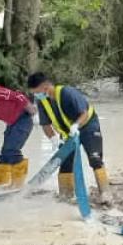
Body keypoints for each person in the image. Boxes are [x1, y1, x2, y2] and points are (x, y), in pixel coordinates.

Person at [26, 72, 109, 201]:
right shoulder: (42, 101)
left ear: (46, 87)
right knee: (65, 163)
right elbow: (46, 124)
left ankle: (105, 193)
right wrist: (53, 139)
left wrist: (76, 126)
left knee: (95, 158)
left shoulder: (67, 93)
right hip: (67, 134)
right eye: (34, 93)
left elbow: (84, 113)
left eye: (37, 92)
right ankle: (66, 195)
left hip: (88, 126)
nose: (36, 96)